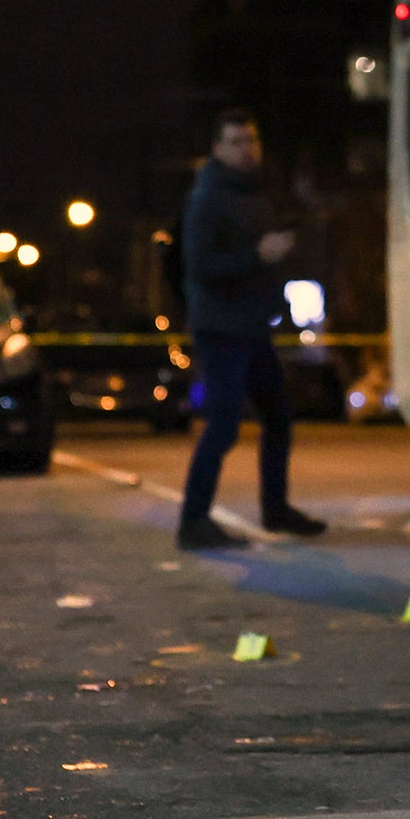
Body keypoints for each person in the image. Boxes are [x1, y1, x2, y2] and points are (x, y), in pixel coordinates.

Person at [175, 109, 326, 551]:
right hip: (221, 329)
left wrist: (273, 276)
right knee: (222, 425)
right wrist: (258, 255)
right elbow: (201, 265)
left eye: (252, 140)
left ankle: (275, 510)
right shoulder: (208, 197)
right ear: (218, 149)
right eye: (237, 142)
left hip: (252, 327)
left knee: (278, 416)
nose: (248, 149)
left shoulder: (254, 193)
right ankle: (193, 522)